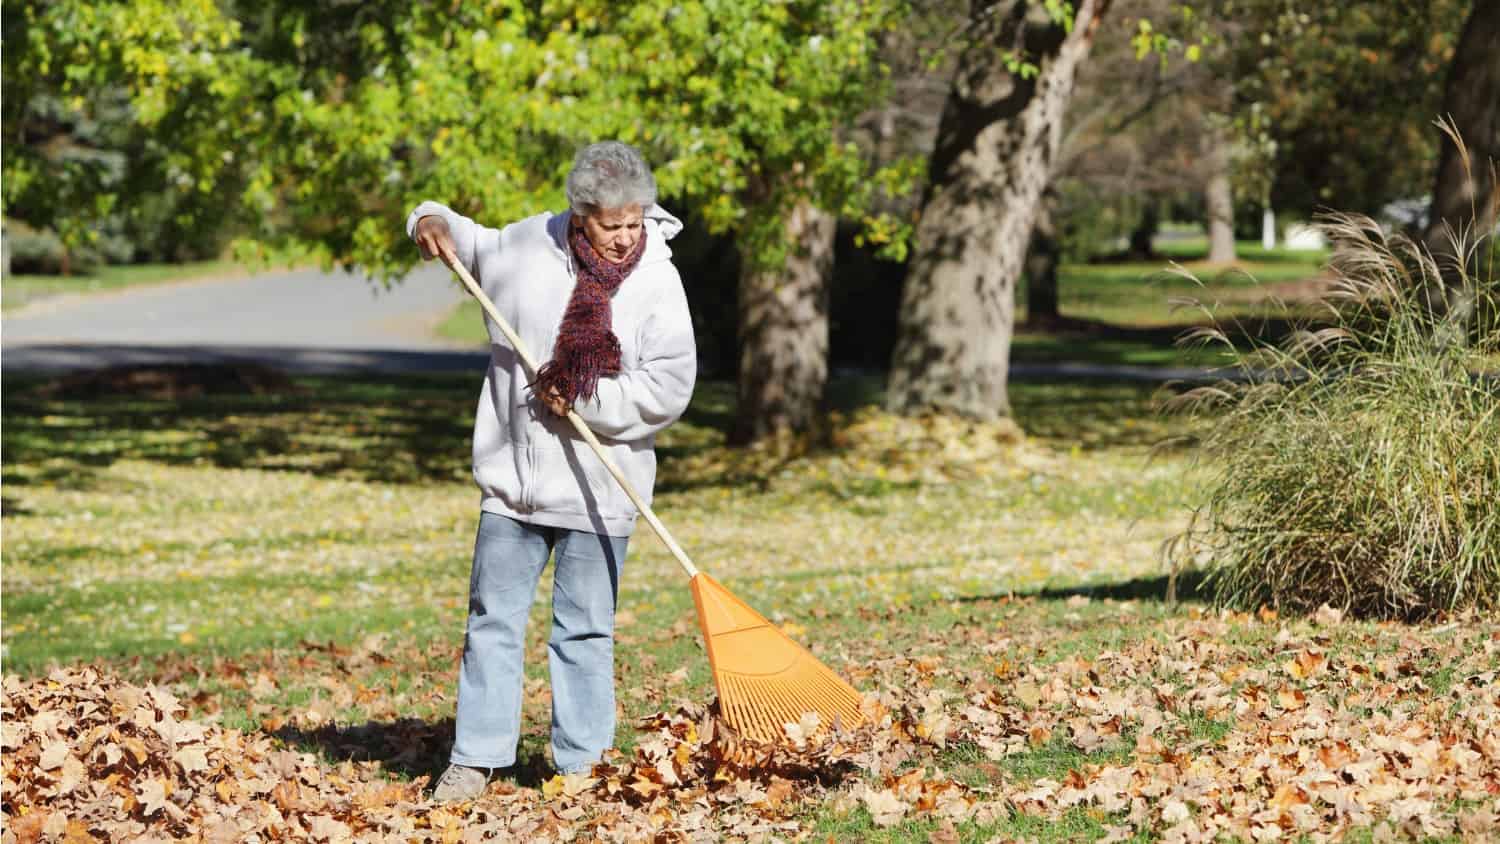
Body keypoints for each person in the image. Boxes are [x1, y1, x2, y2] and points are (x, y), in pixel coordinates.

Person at [406, 141, 697, 802]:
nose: (627, 237)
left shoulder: (658, 280)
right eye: (611, 224)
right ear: (578, 215)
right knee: (492, 622)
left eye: (635, 221)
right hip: (515, 483)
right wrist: (428, 221)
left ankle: (584, 764)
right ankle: (476, 758)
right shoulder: (524, 247)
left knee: (586, 629)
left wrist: (589, 397)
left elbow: (671, 386)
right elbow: (456, 235)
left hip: (603, 487)